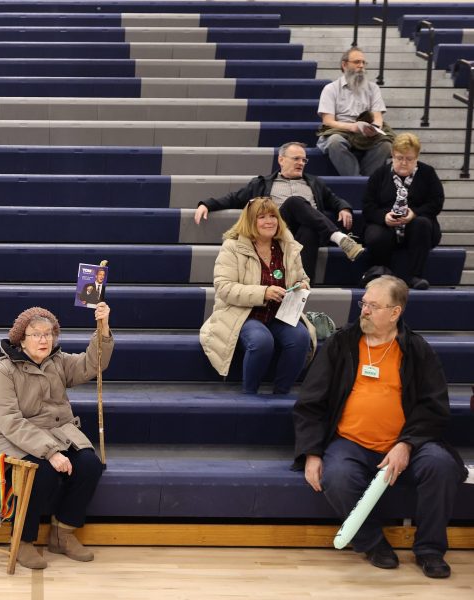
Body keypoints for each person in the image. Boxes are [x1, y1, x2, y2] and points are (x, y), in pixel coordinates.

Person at [293, 276, 466, 579]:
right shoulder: (342, 344)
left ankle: (429, 550)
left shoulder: (416, 350)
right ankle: (372, 543)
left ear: (395, 312)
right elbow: (310, 402)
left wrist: (407, 444)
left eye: (374, 306)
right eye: (364, 303)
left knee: (441, 465)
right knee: (337, 475)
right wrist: (312, 452)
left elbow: (434, 406)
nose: (365, 311)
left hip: (405, 443)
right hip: (350, 442)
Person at [0, 304, 112, 570]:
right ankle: (24, 540)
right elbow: (9, 421)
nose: (44, 339)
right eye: (36, 334)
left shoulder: (58, 362)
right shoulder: (2, 370)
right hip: (8, 435)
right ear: (21, 339)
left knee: (89, 465)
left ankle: (62, 533)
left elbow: (92, 364)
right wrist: (50, 452)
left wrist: (103, 327)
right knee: (42, 471)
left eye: (49, 333)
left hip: (54, 432)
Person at [194, 141, 363, 282]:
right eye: (296, 159)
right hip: (278, 230)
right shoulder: (262, 183)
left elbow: (334, 199)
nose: (301, 163)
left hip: (307, 233)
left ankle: (301, 287)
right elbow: (233, 198)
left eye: (304, 160)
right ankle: (339, 238)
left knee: (309, 230)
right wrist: (207, 205)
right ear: (281, 160)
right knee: (294, 202)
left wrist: (344, 207)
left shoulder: (314, 183)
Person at [199, 197, 315, 394]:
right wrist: (264, 292)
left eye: (273, 216)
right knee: (262, 341)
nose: (269, 221)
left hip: (280, 313)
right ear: (250, 221)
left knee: (301, 338)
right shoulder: (232, 247)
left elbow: (303, 277)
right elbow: (224, 287)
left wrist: (301, 284)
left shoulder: (288, 246)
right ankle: (250, 393)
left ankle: (281, 393)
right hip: (243, 313)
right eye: (262, 217)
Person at [362, 133, 443, 290]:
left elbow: (436, 202)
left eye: (409, 159)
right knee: (376, 234)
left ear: (417, 157)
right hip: (385, 224)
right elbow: (368, 206)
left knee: (422, 223)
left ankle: (415, 276)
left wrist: (415, 213)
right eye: (399, 158)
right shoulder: (380, 174)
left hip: (417, 225)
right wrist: (384, 217)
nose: (404, 163)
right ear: (392, 155)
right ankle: (381, 274)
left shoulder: (427, 173)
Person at [317, 47, 393, 176]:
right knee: (334, 142)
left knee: (386, 145)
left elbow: (378, 117)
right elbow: (328, 121)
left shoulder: (373, 88)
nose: (361, 66)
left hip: (366, 133)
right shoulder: (330, 89)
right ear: (344, 64)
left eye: (363, 63)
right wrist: (352, 127)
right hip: (341, 130)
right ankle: (356, 180)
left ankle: (367, 182)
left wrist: (374, 128)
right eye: (357, 62)